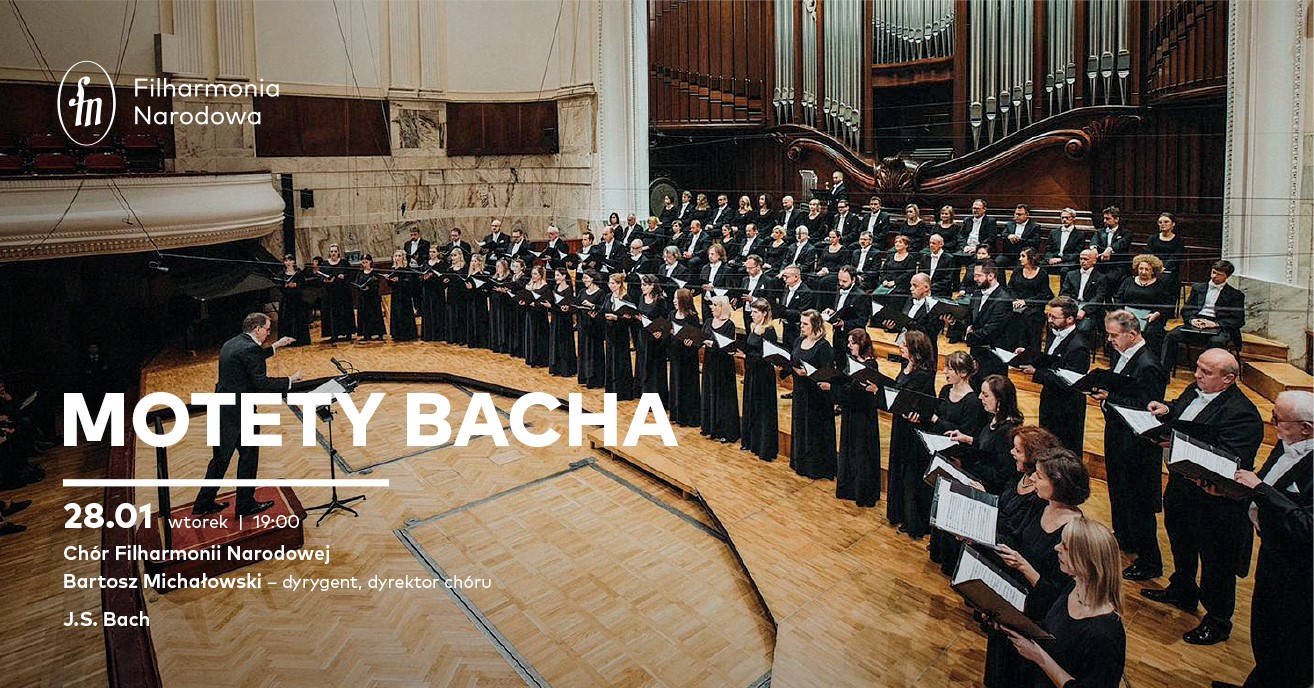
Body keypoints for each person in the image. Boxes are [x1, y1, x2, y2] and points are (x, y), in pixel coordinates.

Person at [1142, 348, 1264, 645]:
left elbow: (1230, 458)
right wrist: (1167, 409)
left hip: (1214, 500)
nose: (1197, 375)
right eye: (1197, 368)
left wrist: (1177, 446)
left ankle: (1218, 620)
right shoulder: (1194, 389)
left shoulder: (1243, 414)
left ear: (1228, 379)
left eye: (1206, 372)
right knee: (1180, 541)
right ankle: (1182, 589)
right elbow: (1183, 413)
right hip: (1181, 487)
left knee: (1215, 563)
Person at [1224, 390, 1313, 688]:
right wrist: (1230, 489)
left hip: (1301, 572)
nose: (1272, 423)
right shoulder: (1286, 441)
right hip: (1273, 552)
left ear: (1306, 429)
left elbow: (1307, 526)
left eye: (1278, 419)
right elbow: (1266, 481)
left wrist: (1260, 490)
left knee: (1292, 644)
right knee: (1264, 631)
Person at [985, 448, 1091, 688]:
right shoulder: (1041, 505)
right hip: (1014, 599)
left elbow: (1060, 594)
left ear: (1059, 485)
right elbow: (1016, 539)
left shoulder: (1073, 533)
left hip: (1038, 616)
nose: (1032, 478)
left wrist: (1024, 567)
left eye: (1040, 476)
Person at [192, 313, 302, 517]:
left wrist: (275, 346)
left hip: (222, 408)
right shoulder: (250, 349)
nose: (268, 333)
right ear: (257, 329)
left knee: (220, 459)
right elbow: (261, 383)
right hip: (241, 412)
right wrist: (289, 380)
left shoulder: (232, 343)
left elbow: (249, 359)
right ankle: (244, 505)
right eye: (267, 329)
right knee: (249, 458)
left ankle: (203, 504)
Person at [1004, 517, 1127, 688]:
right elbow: (1051, 627)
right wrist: (1009, 620)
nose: (1057, 548)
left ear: (1086, 561)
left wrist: (1039, 656)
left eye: (1066, 547)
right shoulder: (1074, 586)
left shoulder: (1104, 635)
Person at [1092, 310, 1169, 580]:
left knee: (1138, 502)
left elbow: (1147, 408)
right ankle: (1125, 538)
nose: (1110, 340)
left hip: (1137, 446)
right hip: (1118, 436)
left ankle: (1149, 562)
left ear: (1133, 334)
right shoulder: (1122, 355)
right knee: (1119, 491)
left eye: (1114, 335)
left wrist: (1109, 397)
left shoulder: (1148, 365)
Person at [926, 352, 989, 571]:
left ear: (962, 373)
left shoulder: (972, 402)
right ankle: (937, 549)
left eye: (950, 369)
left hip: (957, 459)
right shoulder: (945, 390)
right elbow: (937, 418)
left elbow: (967, 433)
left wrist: (937, 421)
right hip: (941, 453)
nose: (945, 371)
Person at [1019, 297, 1091, 455]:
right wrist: (1029, 356)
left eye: (1054, 317)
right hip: (1050, 398)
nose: (1050, 320)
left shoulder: (1079, 347)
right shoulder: (1055, 333)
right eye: (1049, 316)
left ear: (1070, 319)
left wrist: (1036, 373)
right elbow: (1050, 361)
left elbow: (1069, 381)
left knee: (1064, 450)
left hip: (1067, 408)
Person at [822, 329, 882, 507]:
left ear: (861, 344)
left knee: (862, 453)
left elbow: (857, 393)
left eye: (852, 343)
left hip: (863, 416)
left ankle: (862, 491)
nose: (849, 346)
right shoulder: (853, 361)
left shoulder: (870, 365)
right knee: (849, 451)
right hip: (851, 413)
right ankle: (849, 488)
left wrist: (832, 388)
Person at [886, 330, 938, 537]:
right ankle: (898, 512)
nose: (900, 347)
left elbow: (925, 402)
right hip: (901, 423)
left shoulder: (924, 374)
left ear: (915, 350)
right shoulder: (906, 366)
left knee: (911, 473)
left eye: (904, 345)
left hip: (913, 429)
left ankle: (912, 519)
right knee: (899, 467)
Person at [1162, 259, 1246, 373]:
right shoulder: (1198, 288)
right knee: (1171, 335)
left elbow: (1238, 320)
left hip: (1218, 325)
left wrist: (1215, 324)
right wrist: (1192, 320)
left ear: (1227, 276)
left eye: (1219, 274)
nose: (1214, 276)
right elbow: (1186, 310)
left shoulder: (1235, 295)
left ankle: (1209, 374)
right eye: (1213, 272)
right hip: (1197, 321)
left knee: (1216, 342)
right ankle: (1163, 372)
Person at [946, 374, 1023, 494]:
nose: (980, 397)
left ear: (1000, 400)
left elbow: (1001, 474)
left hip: (987, 486)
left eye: (985, 395)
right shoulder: (994, 416)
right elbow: (988, 448)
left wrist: (964, 465)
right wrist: (968, 439)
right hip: (979, 473)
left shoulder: (1007, 432)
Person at [789, 309, 836, 480]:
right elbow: (793, 360)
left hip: (817, 397)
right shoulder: (799, 340)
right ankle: (800, 463)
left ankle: (815, 468)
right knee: (800, 426)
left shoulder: (824, 347)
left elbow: (828, 373)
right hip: (800, 392)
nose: (801, 326)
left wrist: (808, 373)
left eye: (805, 324)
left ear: (815, 325)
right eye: (801, 323)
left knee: (815, 431)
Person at [736, 298, 780, 461]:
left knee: (763, 409)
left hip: (763, 375)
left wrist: (746, 356)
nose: (752, 314)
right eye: (752, 311)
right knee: (751, 405)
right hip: (752, 372)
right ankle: (750, 441)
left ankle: (764, 446)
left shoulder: (769, 331)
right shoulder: (753, 327)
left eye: (755, 312)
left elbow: (767, 356)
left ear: (764, 313)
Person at [1113, 254, 1175, 356]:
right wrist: (1122, 313)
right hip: (1127, 315)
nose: (1143, 272)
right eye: (1141, 268)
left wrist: (1156, 314)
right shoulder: (1128, 281)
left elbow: (1167, 304)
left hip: (1149, 317)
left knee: (1151, 333)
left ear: (1153, 271)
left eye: (1147, 269)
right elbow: (1118, 298)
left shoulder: (1161, 284)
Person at [964, 260, 1014, 385]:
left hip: (992, 358)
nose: (975, 279)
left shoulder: (1003, 300)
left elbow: (991, 331)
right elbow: (970, 320)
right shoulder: (977, 293)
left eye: (978, 275)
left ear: (991, 276)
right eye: (974, 275)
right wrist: (954, 322)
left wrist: (968, 336)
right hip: (976, 354)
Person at [699, 296, 740, 443]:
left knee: (723, 396)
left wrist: (712, 344)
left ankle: (725, 431)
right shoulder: (708, 322)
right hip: (710, 362)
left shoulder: (729, 325)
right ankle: (710, 427)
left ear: (723, 307)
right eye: (712, 304)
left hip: (723, 365)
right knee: (709, 392)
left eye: (715, 305)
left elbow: (727, 346)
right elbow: (701, 337)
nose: (712, 307)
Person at [1059, 248, 1110, 345]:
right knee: (1059, 323)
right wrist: (1073, 308)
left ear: (1094, 261)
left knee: (1083, 328)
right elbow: (1064, 293)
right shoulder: (1070, 274)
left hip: (1090, 310)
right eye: (1081, 259)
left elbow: (1099, 297)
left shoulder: (1101, 278)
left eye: (1085, 259)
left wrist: (1085, 310)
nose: (1082, 261)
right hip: (1072, 306)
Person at [1006, 248, 1054, 353]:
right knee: (1009, 315)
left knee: (1030, 318)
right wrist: (1015, 300)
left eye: (1023, 256)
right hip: (1017, 303)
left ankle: (1030, 351)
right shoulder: (1017, 270)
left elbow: (1044, 294)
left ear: (1031, 258)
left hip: (1034, 305)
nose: (1020, 259)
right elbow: (1010, 288)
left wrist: (1025, 302)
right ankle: (1011, 350)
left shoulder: (1042, 274)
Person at [821, 266, 869, 367]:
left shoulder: (861, 296)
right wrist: (832, 312)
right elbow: (841, 309)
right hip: (838, 334)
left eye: (844, 281)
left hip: (853, 338)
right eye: (839, 280)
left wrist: (844, 323)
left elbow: (862, 321)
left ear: (853, 279)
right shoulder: (839, 289)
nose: (841, 283)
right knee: (839, 362)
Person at [668, 288, 702, 427]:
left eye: (676, 298)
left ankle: (689, 416)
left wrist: (691, 342)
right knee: (676, 382)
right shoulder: (672, 314)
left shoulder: (692, 317)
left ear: (684, 300)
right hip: (675, 354)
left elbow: (697, 338)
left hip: (688, 356)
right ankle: (677, 414)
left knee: (688, 385)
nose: (674, 301)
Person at [635, 274, 671, 402]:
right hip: (643, 335)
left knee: (654, 368)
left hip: (654, 338)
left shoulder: (660, 300)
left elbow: (666, 320)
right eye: (642, 284)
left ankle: (657, 399)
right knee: (643, 365)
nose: (642, 287)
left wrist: (660, 331)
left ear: (652, 286)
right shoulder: (642, 297)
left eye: (645, 285)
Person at [602, 273, 638, 400]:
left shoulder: (626, 297)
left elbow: (631, 318)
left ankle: (623, 391)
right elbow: (603, 310)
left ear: (619, 284)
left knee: (621, 360)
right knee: (610, 359)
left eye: (613, 283)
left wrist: (617, 318)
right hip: (610, 332)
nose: (610, 285)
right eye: (609, 283)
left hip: (621, 333)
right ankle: (611, 390)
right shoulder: (608, 296)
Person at [576, 270, 607, 389]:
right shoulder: (582, 291)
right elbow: (577, 304)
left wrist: (592, 306)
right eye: (583, 278)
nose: (584, 280)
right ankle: (584, 377)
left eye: (586, 278)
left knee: (594, 351)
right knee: (583, 350)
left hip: (595, 327)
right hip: (583, 325)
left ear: (593, 279)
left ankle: (596, 379)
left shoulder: (601, 293)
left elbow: (603, 309)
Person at [320, 243, 356, 341]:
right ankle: (333, 334)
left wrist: (344, 276)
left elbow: (351, 275)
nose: (333, 253)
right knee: (332, 313)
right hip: (330, 293)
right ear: (329, 253)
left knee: (345, 312)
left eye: (335, 251)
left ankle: (348, 333)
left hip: (343, 292)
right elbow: (320, 276)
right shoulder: (324, 264)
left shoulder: (344, 263)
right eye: (331, 251)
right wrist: (325, 280)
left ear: (338, 252)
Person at [1090, 206, 1133, 285]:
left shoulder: (1126, 233)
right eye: (1104, 218)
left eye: (1108, 219)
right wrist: (1094, 249)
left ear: (1116, 219)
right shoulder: (1099, 232)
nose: (1104, 221)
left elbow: (1120, 244)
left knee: (1109, 279)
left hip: (1117, 264)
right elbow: (1094, 241)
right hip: (1101, 264)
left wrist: (1110, 249)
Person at [1146, 211, 1187, 292]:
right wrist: (1156, 267)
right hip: (1154, 267)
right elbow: (1149, 254)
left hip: (1170, 269)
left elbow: (1176, 257)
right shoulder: (1152, 238)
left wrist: (1164, 267)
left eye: (1166, 222)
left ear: (1173, 224)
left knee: (1165, 281)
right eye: (1160, 222)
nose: (1162, 224)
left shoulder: (1179, 240)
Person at [276, 254, 311, 346]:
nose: (288, 262)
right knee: (286, 319)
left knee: (298, 318)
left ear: (293, 262)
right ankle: (287, 341)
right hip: (286, 300)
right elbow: (278, 286)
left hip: (297, 300)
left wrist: (295, 285)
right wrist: (285, 285)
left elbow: (304, 285)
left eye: (290, 260)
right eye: (286, 260)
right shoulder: (281, 274)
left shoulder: (298, 273)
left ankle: (300, 339)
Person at [385, 250, 419, 342]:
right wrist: (389, 280)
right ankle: (397, 334)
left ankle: (407, 334)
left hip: (404, 295)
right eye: (396, 256)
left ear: (403, 257)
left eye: (399, 256)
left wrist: (399, 280)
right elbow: (390, 285)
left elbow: (409, 282)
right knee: (396, 312)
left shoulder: (407, 268)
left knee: (404, 313)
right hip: (395, 294)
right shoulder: (393, 268)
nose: (397, 258)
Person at [521, 265, 551, 367]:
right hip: (530, 313)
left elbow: (547, 301)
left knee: (540, 336)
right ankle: (531, 358)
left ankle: (541, 360)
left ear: (540, 275)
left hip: (540, 316)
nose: (533, 276)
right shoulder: (529, 285)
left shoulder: (545, 287)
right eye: (532, 274)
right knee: (531, 335)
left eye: (535, 274)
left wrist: (536, 303)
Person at [778, 266, 815, 348]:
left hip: (798, 329)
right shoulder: (786, 288)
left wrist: (783, 312)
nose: (784, 279)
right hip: (786, 326)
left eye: (786, 276)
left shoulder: (806, 292)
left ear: (796, 277)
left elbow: (803, 313)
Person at [997, 204, 1042, 269]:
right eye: (1015, 214)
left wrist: (1019, 240)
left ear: (1027, 215)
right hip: (1009, 255)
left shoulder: (1034, 227)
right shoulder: (1009, 224)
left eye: (1019, 214)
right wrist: (1009, 236)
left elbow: (1035, 242)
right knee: (998, 262)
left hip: (1024, 256)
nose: (1017, 216)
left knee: (1019, 267)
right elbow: (1003, 234)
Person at [1044, 208, 1086, 276]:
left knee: (1064, 270)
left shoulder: (1080, 235)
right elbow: (1048, 248)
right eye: (1062, 218)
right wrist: (1049, 259)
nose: (1064, 220)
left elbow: (1077, 253)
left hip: (1068, 261)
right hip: (1053, 258)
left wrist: (1061, 259)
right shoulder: (1053, 232)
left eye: (1067, 218)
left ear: (1073, 218)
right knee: (1040, 266)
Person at [354, 254, 386, 341]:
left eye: (366, 262)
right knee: (365, 316)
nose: (365, 264)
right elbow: (357, 283)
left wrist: (370, 287)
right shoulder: (360, 273)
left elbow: (377, 283)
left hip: (373, 297)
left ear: (370, 262)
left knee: (375, 315)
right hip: (363, 298)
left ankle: (379, 333)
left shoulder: (374, 272)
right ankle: (366, 334)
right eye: (363, 262)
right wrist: (360, 287)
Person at [418, 246, 446, 342]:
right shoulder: (425, 263)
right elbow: (420, 277)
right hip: (427, 291)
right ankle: (428, 335)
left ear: (438, 253)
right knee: (427, 312)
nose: (432, 254)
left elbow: (443, 278)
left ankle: (438, 335)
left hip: (437, 291)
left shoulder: (442, 264)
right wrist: (424, 278)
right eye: (430, 252)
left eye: (434, 252)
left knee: (437, 311)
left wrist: (433, 276)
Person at [487, 259, 514, 353]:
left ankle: (503, 346)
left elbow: (511, 291)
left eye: (499, 266)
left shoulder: (509, 279)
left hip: (503, 305)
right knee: (494, 322)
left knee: (502, 324)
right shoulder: (493, 278)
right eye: (496, 266)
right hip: (494, 303)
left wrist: (504, 291)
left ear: (504, 268)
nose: (497, 268)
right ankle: (494, 344)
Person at [920, 233, 959, 298]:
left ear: (941, 244)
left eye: (934, 243)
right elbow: (921, 274)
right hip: (925, 290)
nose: (931, 245)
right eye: (930, 243)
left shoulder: (949, 259)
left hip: (941, 292)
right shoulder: (925, 257)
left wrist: (930, 287)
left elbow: (948, 279)